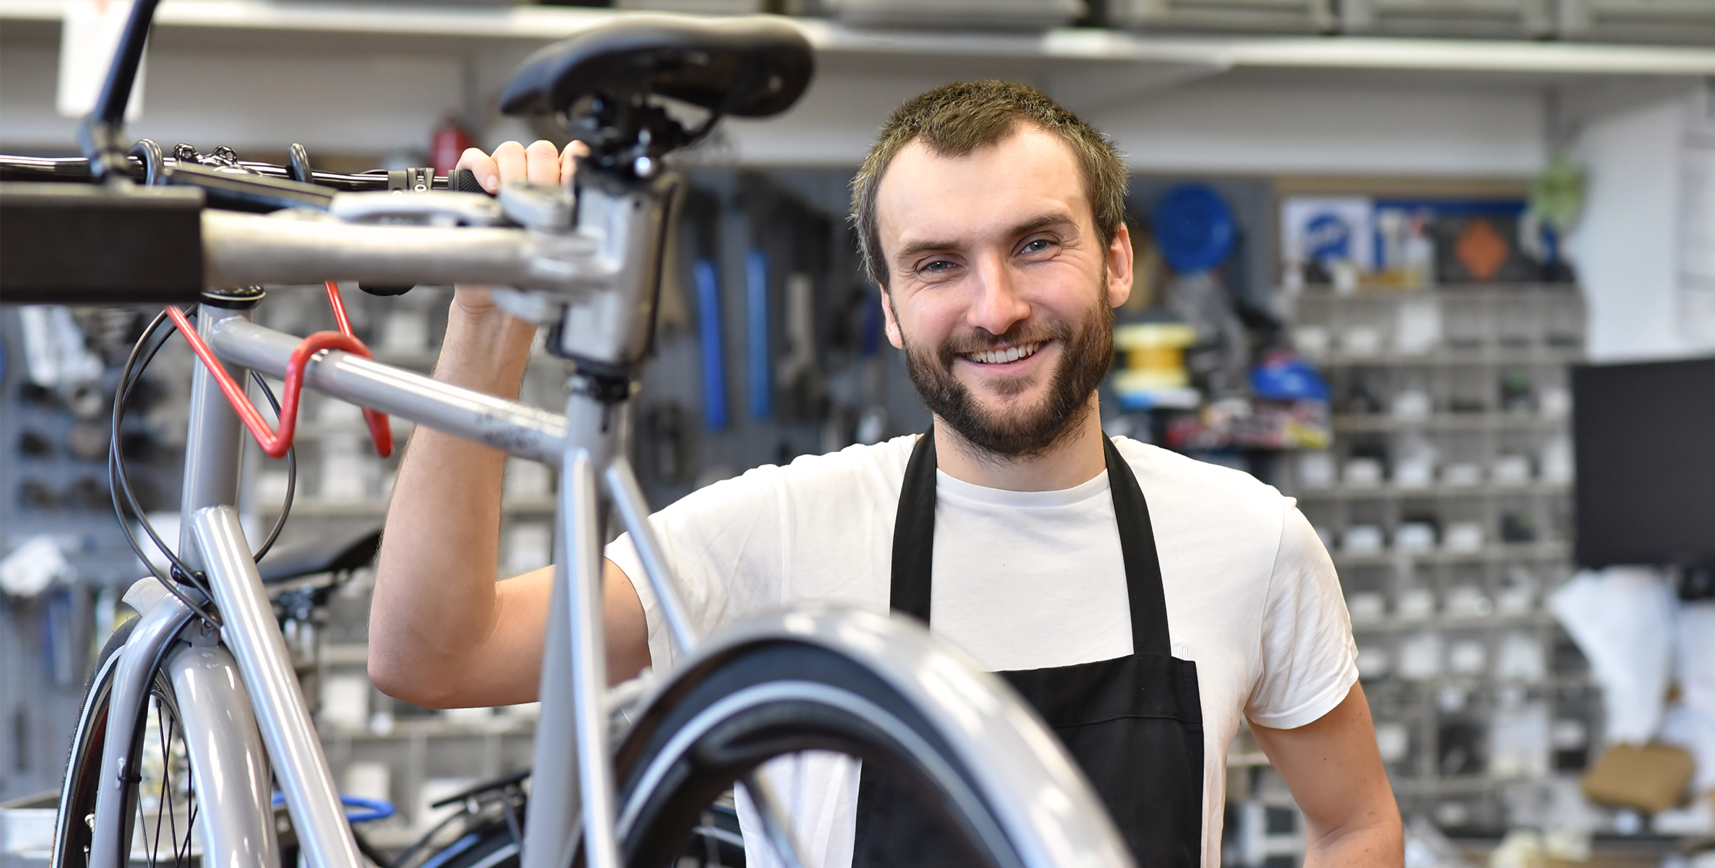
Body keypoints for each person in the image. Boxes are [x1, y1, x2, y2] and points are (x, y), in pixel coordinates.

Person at [370, 80, 1402, 868]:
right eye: (937, 263)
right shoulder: (776, 532)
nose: (993, 307)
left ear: (1117, 260)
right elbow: (438, 654)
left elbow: (1355, 819)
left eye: (1035, 243)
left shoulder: (1248, 538)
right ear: (889, 305)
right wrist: (487, 323)